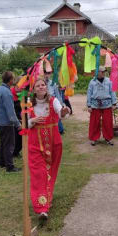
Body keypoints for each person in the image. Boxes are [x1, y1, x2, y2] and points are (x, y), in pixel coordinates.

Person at [28, 78, 70, 221]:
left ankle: (46, 199)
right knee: (39, 173)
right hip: (35, 145)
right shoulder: (28, 104)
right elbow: (23, 124)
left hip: (53, 144)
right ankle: (42, 209)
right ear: (33, 89)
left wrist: (64, 111)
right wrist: (32, 121)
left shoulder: (54, 101)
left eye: (43, 85)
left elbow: (61, 113)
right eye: (38, 85)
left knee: (49, 173)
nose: (41, 87)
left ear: (46, 87)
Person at [0, 71, 22, 172]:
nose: (13, 80)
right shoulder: (7, 92)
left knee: (3, 143)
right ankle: (9, 166)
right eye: (13, 79)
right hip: (6, 123)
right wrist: (18, 124)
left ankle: (2, 162)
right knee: (9, 144)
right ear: (10, 80)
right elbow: (11, 112)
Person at [87, 66, 117, 146]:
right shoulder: (92, 81)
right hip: (95, 104)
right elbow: (89, 94)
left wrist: (114, 103)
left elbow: (112, 92)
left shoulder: (109, 81)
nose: (103, 73)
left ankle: (108, 138)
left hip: (107, 104)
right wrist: (89, 105)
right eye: (102, 71)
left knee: (107, 122)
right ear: (98, 72)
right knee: (94, 122)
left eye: (104, 72)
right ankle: (94, 138)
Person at [45, 70, 65, 134]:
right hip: (43, 104)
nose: (47, 75)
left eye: (48, 73)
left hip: (52, 104)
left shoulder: (53, 83)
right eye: (45, 73)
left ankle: (60, 130)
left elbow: (58, 95)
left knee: (55, 117)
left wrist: (61, 104)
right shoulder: (39, 83)